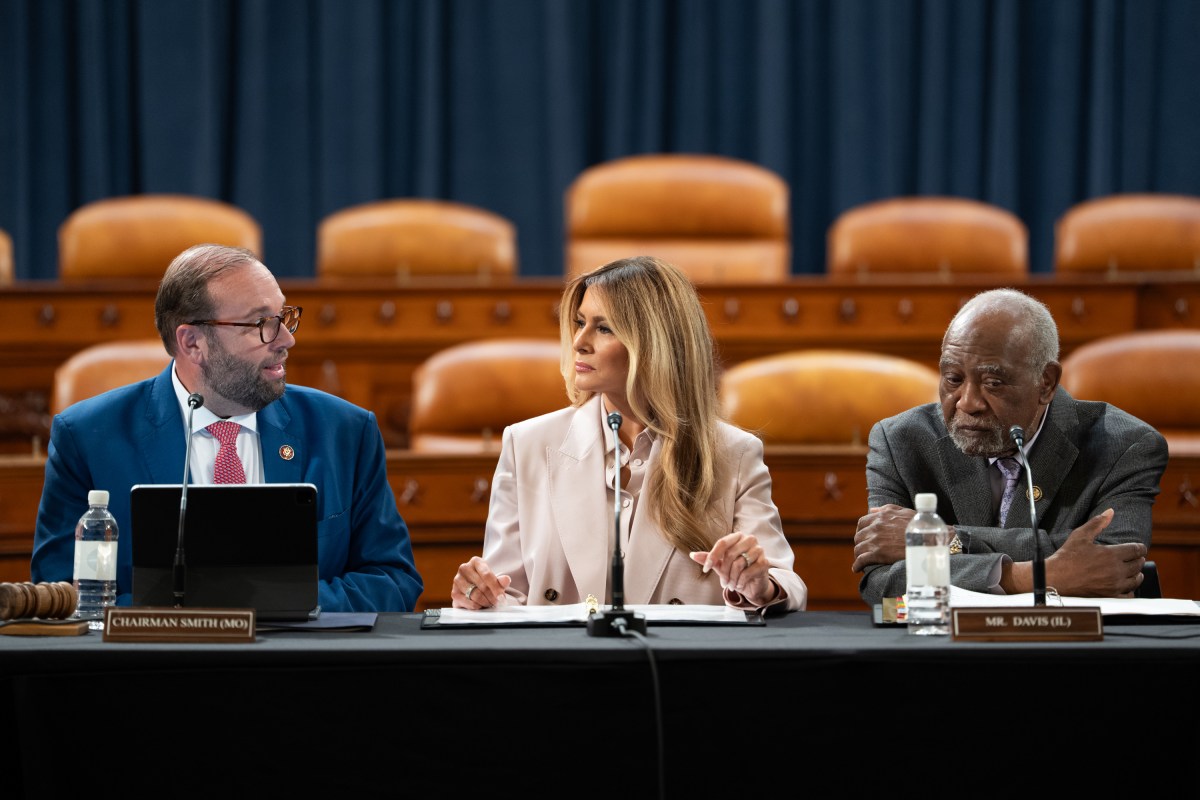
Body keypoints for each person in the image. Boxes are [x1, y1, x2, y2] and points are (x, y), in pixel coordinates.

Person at [31, 244, 423, 612]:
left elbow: (393, 580)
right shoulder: (87, 438)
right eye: (261, 324)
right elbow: (62, 594)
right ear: (193, 343)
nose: (286, 339)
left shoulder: (345, 431)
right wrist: (200, 613)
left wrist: (273, 603)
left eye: (285, 317)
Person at [450, 255, 807, 612]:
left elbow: (787, 583)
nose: (579, 342)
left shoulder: (734, 452)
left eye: (604, 328)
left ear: (655, 344)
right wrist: (479, 594)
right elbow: (504, 592)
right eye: (579, 322)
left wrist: (760, 584)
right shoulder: (526, 444)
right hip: (564, 661)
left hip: (674, 663)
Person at [852, 287, 1168, 606]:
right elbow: (883, 583)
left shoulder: (1124, 446)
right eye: (952, 379)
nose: (968, 402)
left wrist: (947, 540)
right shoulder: (900, 441)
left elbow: (1113, 565)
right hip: (943, 649)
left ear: (1045, 383)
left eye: (993, 383)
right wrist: (1027, 577)